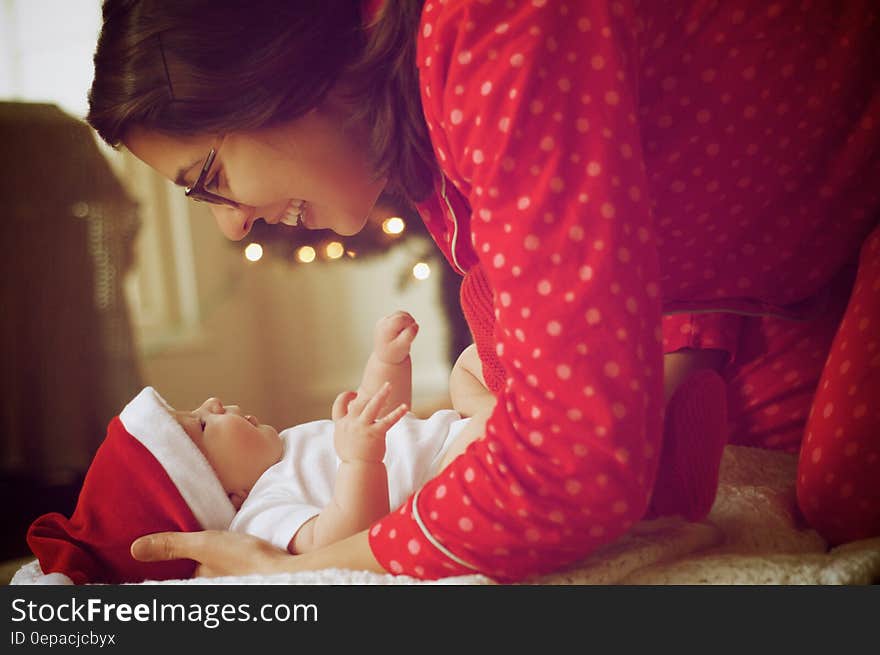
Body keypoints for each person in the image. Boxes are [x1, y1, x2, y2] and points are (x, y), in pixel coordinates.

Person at [85, 0, 880, 582]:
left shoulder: (486, 27)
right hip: (770, 275)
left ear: (265, 68)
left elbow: (571, 465)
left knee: (844, 497)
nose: (231, 229)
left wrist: (315, 569)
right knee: (779, 486)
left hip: (821, 229)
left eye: (211, 179)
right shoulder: (421, 119)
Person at [27, 311, 495, 583]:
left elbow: (383, 417)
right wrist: (360, 458)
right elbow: (343, 537)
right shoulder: (262, 514)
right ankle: (525, 416)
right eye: (204, 426)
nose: (212, 404)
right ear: (221, 495)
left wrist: (385, 361)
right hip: (446, 474)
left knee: (468, 365)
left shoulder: (288, 449)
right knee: (498, 421)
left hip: (453, 432)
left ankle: (518, 407)